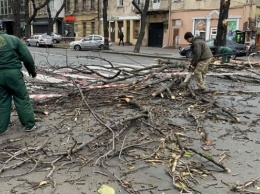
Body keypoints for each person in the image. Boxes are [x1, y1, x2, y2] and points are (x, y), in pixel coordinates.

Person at [0, 30, 37, 135]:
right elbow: (27, 57)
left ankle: (1, 128)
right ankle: (29, 125)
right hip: (13, 74)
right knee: (21, 98)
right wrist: (32, 71)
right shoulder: (13, 39)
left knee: (2, 101)